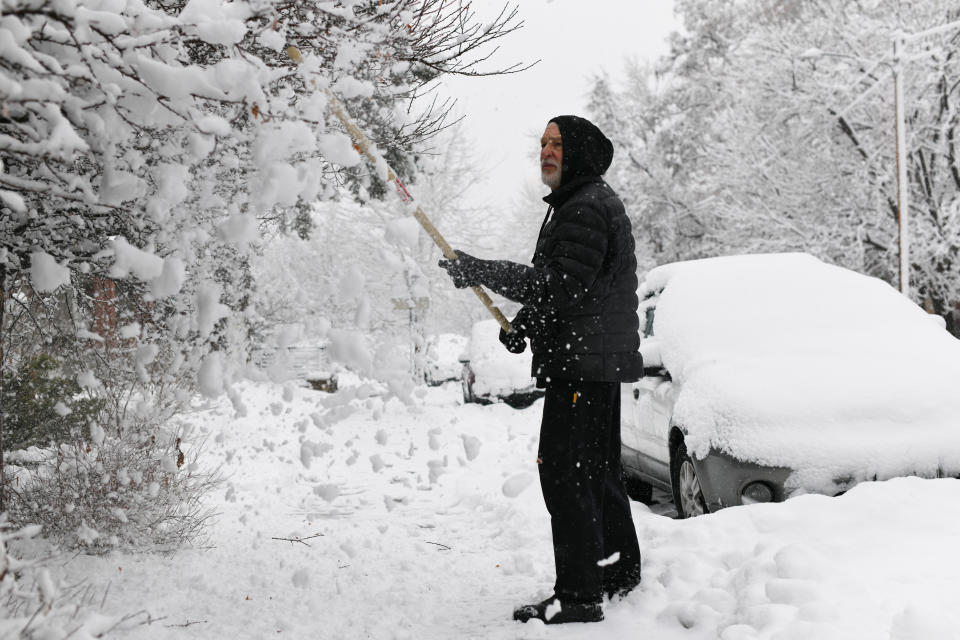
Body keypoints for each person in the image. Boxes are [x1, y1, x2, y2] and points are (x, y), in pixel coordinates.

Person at [438, 115, 644, 624]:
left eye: (557, 144)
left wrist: (482, 270)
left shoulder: (585, 208)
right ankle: (615, 572)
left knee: (568, 476)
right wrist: (525, 325)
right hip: (590, 362)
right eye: (543, 143)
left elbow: (559, 286)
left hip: (584, 366)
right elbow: (567, 288)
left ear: (578, 154)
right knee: (595, 474)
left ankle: (579, 595)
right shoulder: (578, 204)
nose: (546, 152)